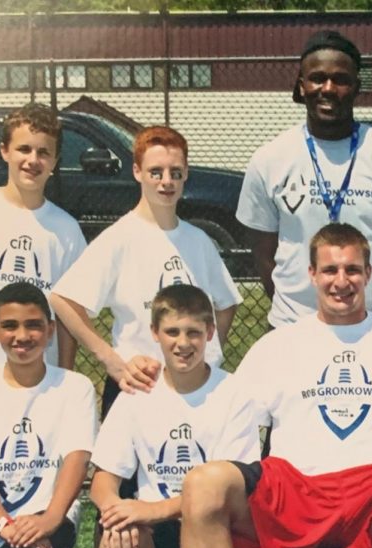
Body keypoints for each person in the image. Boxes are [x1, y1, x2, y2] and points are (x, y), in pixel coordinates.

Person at [180, 223, 372, 548]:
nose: (341, 282)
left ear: (368, 273)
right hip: (295, 492)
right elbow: (235, 426)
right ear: (312, 274)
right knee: (204, 484)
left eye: (352, 269)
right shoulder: (277, 345)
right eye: (330, 270)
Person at [236, 29, 372, 329]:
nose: (328, 88)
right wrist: (301, 311)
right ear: (302, 86)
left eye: (341, 79)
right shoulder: (270, 159)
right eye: (317, 78)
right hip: (294, 327)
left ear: (356, 87)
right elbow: (264, 255)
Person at [50, 125, 241, 416]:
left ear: (186, 174)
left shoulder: (198, 240)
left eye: (175, 173)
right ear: (137, 172)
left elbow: (226, 303)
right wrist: (113, 361)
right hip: (138, 388)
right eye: (156, 172)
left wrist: (210, 355)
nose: (166, 182)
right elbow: (63, 299)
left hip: (192, 389)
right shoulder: (121, 237)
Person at [90, 284, 262, 548]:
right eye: (172, 332)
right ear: (155, 333)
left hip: (211, 522)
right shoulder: (137, 391)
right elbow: (103, 481)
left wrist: (149, 511)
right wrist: (116, 513)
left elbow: (229, 493)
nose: (183, 343)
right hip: (151, 526)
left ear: (209, 332)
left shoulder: (233, 393)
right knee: (120, 547)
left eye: (193, 332)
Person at [0, 282, 96, 548]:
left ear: (51, 330)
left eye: (33, 325)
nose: (22, 336)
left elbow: (77, 460)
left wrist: (50, 520)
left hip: (50, 518)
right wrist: (2, 525)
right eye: (10, 326)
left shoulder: (74, 387)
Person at [0, 102, 85, 371]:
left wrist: (63, 375)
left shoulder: (66, 229)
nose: (33, 160)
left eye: (43, 152)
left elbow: (70, 316)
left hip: (38, 382)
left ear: (55, 160)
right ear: (4, 151)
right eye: (24, 149)